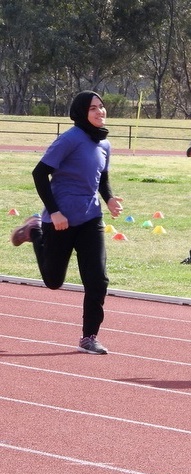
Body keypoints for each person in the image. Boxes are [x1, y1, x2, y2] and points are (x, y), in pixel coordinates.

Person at [10, 90, 124, 354]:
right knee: (53, 280)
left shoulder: (104, 145)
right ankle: (34, 230)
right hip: (60, 219)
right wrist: (55, 212)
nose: (100, 112)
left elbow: (102, 178)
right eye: (93, 108)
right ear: (81, 113)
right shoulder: (70, 139)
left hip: (90, 218)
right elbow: (40, 173)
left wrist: (108, 199)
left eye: (101, 107)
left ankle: (89, 337)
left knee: (98, 280)